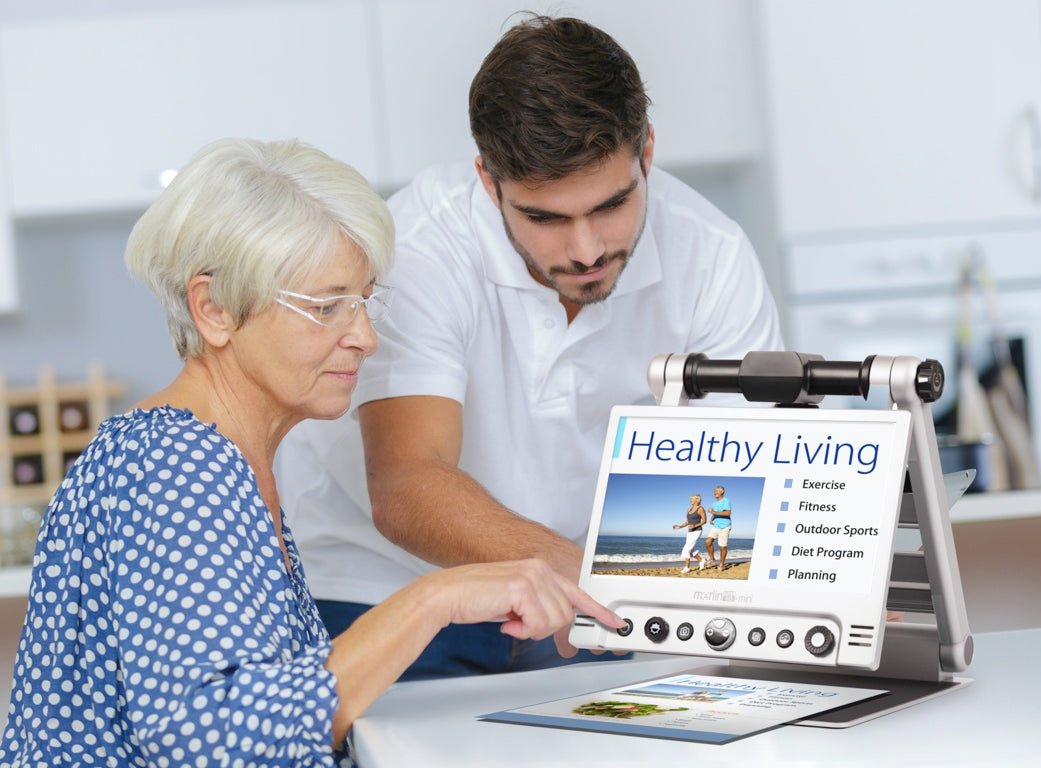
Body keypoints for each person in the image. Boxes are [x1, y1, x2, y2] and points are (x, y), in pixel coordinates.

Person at [0, 138, 622, 767]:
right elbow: (217, 739)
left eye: (365, 302)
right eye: (326, 308)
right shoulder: (176, 467)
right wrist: (438, 598)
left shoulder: (217, 460)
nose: (367, 338)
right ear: (213, 309)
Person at [276, 14, 783, 680]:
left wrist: (808, 600)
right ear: (489, 182)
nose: (587, 249)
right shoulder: (418, 251)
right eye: (546, 218)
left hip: (589, 599)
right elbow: (406, 483)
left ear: (648, 152)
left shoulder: (712, 257)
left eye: (612, 204)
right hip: (386, 591)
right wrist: (593, 579)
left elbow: (735, 483)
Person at [672, 494, 709, 574]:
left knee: (686, 549)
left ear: (697, 499)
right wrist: (680, 526)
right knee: (691, 549)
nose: (690, 500)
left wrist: (695, 525)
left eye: (692, 499)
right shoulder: (689, 509)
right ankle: (701, 560)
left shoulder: (701, 509)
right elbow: (688, 522)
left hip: (697, 531)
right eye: (690, 499)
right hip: (690, 531)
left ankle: (687, 567)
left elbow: (704, 521)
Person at [705, 485, 733, 572]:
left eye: (717, 491)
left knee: (722, 546)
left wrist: (712, 511)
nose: (715, 492)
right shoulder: (714, 503)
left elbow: (727, 513)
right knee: (708, 541)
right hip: (716, 525)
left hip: (725, 526)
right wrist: (711, 519)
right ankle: (712, 559)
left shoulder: (726, 501)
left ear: (722, 492)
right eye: (714, 491)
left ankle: (722, 564)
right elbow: (715, 513)